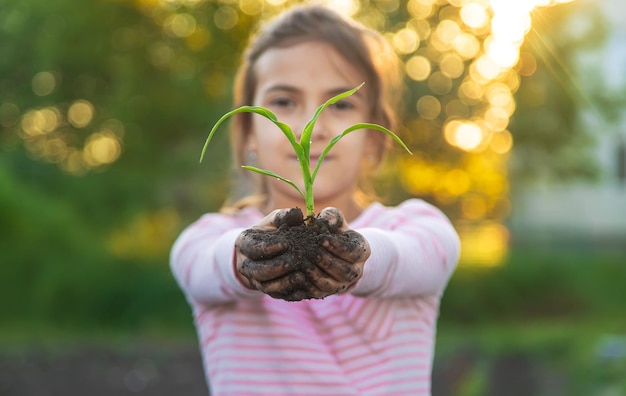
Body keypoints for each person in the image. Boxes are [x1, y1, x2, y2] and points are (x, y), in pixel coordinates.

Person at [170, 4, 460, 395]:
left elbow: (420, 255)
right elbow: (200, 266)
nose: (311, 127)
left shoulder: (415, 227)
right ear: (249, 131)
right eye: (283, 102)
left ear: (374, 138)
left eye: (340, 104)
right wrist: (247, 257)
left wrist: (358, 256)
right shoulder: (210, 237)